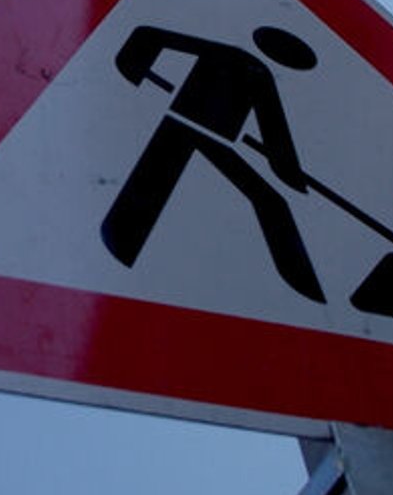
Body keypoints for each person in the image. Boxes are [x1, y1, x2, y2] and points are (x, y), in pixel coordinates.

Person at [100, 24, 326, 302]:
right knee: (268, 202)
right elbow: (149, 36)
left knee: (269, 202)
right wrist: (136, 70)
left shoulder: (256, 72)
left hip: (207, 138)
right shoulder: (250, 68)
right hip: (183, 127)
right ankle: (306, 287)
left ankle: (306, 286)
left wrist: (290, 173)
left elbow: (275, 135)